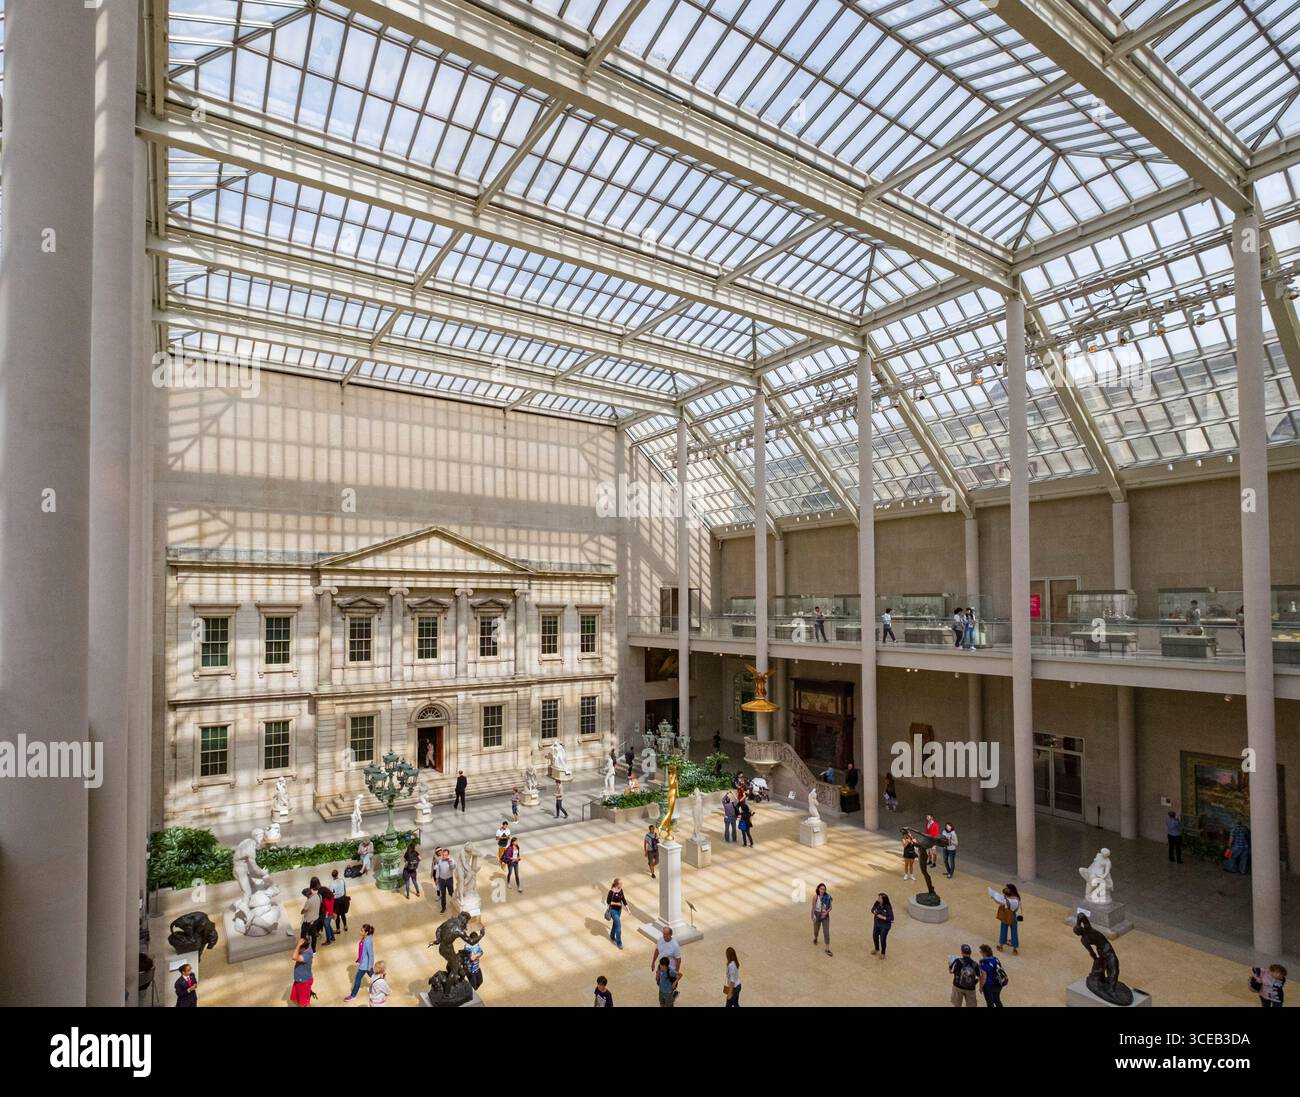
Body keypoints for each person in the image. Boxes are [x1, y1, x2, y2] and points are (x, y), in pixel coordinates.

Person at [344, 924, 375, 1002]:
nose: (360, 931)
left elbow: (371, 954)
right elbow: (362, 951)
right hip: (364, 963)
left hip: (365, 965)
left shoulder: (367, 942)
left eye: (362, 930)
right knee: (373, 975)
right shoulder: (365, 938)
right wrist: (359, 959)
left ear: (366, 932)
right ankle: (382, 981)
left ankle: (353, 995)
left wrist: (370, 965)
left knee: (357, 979)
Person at [995, 884, 1021, 954]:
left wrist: (994, 898)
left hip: (1006, 915)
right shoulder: (1017, 898)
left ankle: (1001, 946)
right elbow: (1017, 908)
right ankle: (1015, 949)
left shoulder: (1006, 900)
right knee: (1014, 931)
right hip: (1013, 915)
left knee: (1003, 929)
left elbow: (999, 902)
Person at [290, 937, 315, 1007]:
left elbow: (294, 957)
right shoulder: (307, 947)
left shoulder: (307, 955)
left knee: (305, 1003)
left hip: (304, 982)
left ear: (303, 948)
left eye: (299, 947)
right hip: (299, 981)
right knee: (295, 999)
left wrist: (298, 946)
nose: (297, 949)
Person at [811, 883, 832, 957]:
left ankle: (827, 948)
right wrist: (813, 916)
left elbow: (830, 907)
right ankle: (816, 937)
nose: (822, 890)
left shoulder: (828, 897)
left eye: (824, 889)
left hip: (825, 916)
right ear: (818, 889)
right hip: (817, 915)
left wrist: (825, 913)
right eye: (821, 889)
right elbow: (813, 907)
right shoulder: (815, 897)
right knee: (816, 930)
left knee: (826, 932)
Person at [606, 878, 627, 949]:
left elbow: (623, 898)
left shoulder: (621, 890)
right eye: (620, 884)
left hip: (619, 910)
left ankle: (612, 936)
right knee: (619, 927)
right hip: (613, 911)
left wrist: (627, 908)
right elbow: (608, 902)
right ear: (616, 884)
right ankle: (619, 943)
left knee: (615, 923)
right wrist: (617, 904)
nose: (622, 885)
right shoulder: (611, 892)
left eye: (622, 884)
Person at [299, 884, 322, 951]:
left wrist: (301, 912)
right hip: (315, 919)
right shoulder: (317, 896)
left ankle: (304, 948)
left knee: (303, 935)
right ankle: (313, 949)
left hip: (308, 921)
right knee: (314, 934)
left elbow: (303, 911)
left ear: (306, 895)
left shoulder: (309, 901)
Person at [871, 893, 893, 957]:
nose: (878, 899)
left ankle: (883, 953)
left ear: (884, 900)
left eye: (880, 898)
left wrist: (882, 917)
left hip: (885, 926)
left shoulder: (888, 907)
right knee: (874, 936)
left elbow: (891, 918)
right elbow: (872, 909)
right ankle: (876, 949)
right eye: (878, 897)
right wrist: (874, 911)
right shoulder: (877, 903)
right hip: (877, 924)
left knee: (882, 939)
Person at [433, 847, 455, 912]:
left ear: (448, 855)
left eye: (446, 855)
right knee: (443, 895)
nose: (444, 856)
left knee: (451, 893)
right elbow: (438, 870)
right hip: (442, 880)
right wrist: (437, 878)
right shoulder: (440, 861)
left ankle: (454, 902)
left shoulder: (451, 860)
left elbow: (453, 867)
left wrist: (450, 862)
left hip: (449, 880)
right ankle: (443, 908)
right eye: (443, 855)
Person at [317, 877, 336, 944]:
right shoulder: (331, 897)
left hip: (327, 914)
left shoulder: (325, 900)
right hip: (331, 913)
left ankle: (328, 941)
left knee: (326, 927)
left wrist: (325, 915)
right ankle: (333, 937)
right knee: (329, 925)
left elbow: (326, 908)